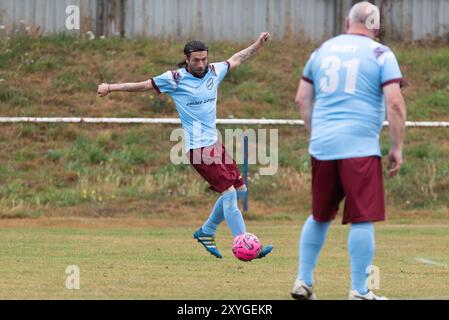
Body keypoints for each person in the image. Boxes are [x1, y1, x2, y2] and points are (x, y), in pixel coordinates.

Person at [97, 33, 273, 260]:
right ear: (187, 59)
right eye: (196, 60)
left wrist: (257, 45)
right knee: (229, 194)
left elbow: (237, 58)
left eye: (204, 59)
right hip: (198, 150)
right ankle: (248, 246)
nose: (201, 64)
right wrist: (110, 87)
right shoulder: (174, 79)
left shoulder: (214, 71)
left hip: (215, 145)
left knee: (241, 190)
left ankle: (206, 231)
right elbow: (141, 86)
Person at [291, 2, 406, 300]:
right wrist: (397, 147)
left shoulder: (322, 50)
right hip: (360, 147)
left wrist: (318, 134)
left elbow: (302, 99)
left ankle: (303, 281)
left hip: (323, 146)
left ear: (347, 21)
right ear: (375, 26)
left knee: (319, 215)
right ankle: (359, 290)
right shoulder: (381, 53)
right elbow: (394, 103)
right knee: (362, 217)